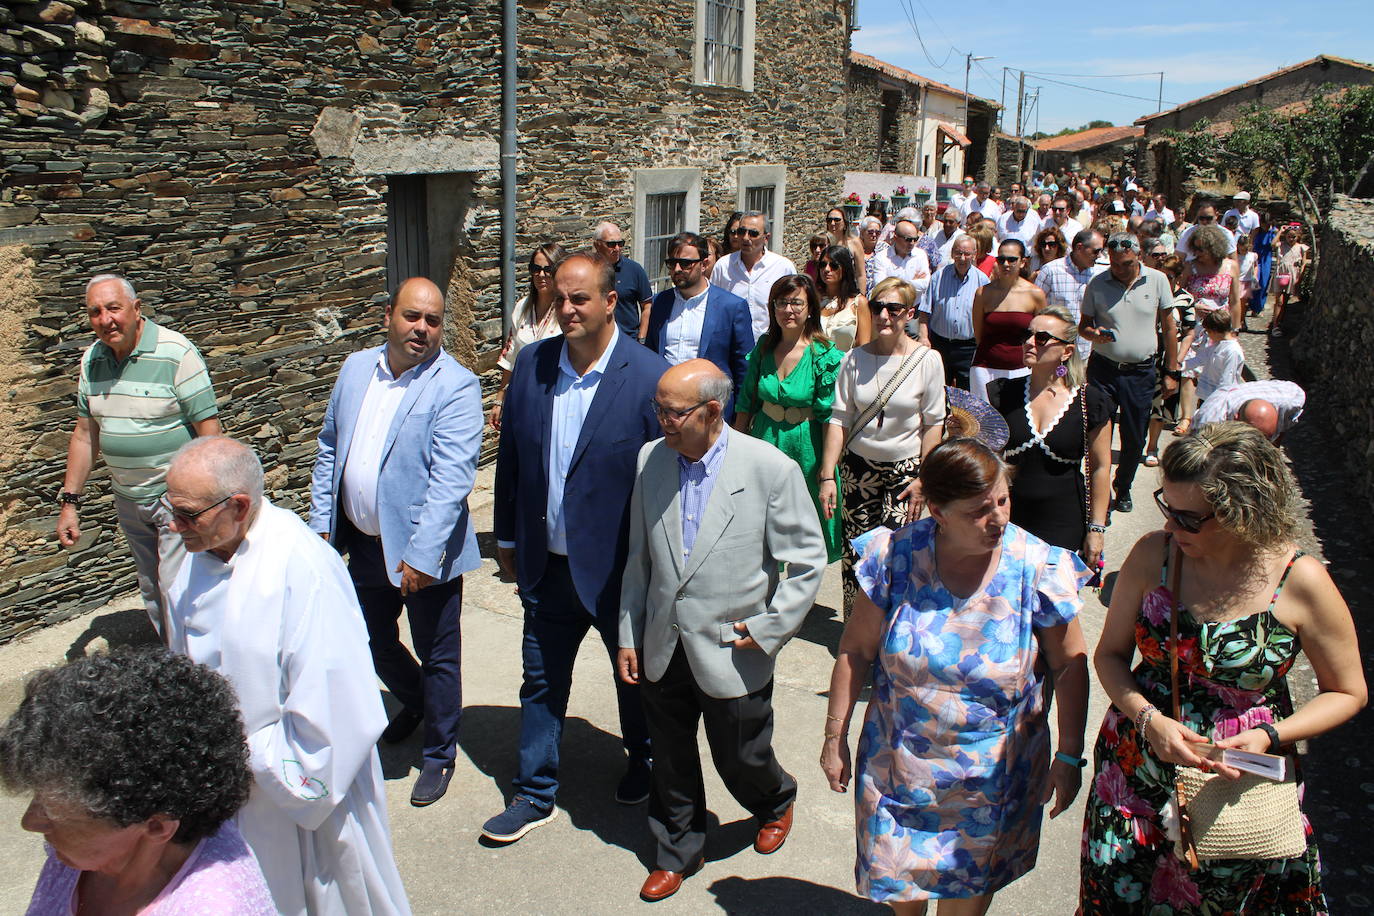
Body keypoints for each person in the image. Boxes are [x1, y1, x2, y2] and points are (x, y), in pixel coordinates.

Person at [1080, 424, 1366, 914]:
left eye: (1189, 519)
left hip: (1239, 786)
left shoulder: (1300, 581)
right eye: (1166, 507)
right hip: (1136, 770)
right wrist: (1148, 721)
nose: (1171, 527)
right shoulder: (1154, 555)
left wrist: (1270, 736)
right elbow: (1108, 655)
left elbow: (1348, 691)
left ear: (1245, 511)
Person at [822, 438, 1091, 912]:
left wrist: (1070, 756)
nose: (1000, 519)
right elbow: (855, 648)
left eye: (1004, 500)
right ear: (939, 512)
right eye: (979, 511)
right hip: (897, 770)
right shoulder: (895, 556)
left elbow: (1070, 663)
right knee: (900, 897)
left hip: (993, 781)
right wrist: (833, 735)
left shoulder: (1037, 565)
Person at [162, 436, 410, 915]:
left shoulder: (301, 569)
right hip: (224, 786)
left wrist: (236, 753)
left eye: (187, 514)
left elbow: (337, 710)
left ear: (237, 506)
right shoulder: (195, 556)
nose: (174, 526)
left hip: (296, 798)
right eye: (169, 509)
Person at [617, 361, 827, 902]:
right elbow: (639, 558)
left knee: (741, 754)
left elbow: (806, 561)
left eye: (674, 411)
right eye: (658, 409)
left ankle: (775, 799)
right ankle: (678, 847)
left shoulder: (769, 469)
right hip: (663, 640)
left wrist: (770, 627)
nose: (662, 421)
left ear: (714, 411)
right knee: (669, 753)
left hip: (736, 645)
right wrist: (627, 632)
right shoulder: (649, 461)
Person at [488, 251, 669, 843]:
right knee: (540, 681)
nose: (565, 308)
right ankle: (534, 791)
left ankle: (642, 759)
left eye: (580, 298)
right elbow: (512, 456)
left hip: (619, 572)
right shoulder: (535, 364)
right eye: (559, 298)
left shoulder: (646, 377)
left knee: (632, 681)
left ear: (611, 301)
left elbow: (663, 483)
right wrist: (509, 537)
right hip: (546, 565)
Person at [308, 276, 483, 807]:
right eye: (413, 317)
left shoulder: (455, 385)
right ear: (389, 315)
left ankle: (439, 754)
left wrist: (423, 557)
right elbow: (329, 447)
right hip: (361, 543)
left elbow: (452, 480)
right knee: (368, 642)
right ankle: (415, 701)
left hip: (420, 554)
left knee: (438, 654)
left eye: (433, 321)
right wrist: (320, 526)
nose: (422, 329)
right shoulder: (357, 368)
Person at [1, 648, 276, 916]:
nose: (30, 823)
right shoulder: (81, 856)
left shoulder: (213, 908)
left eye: (54, 813)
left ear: (156, 826)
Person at [57, 274, 221, 639]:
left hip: (175, 499)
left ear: (136, 309)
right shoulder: (92, 359)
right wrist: (70, 502)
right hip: (129, 499)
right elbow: (85, 434)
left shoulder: (175, 351)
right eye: (95, 312)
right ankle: (174, 662)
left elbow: (209, 430)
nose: (105, 319)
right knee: (152, 589)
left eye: (114, 308)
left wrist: (205, 500)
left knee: (177, 588)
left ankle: (199, 672)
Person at [820, 278, 947, 618]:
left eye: (894, 309)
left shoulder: (928, 361)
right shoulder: (853, 360)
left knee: (899, 554)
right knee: (858, 554)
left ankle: (894, 630)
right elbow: (838, 419)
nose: (885, 316)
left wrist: (925, 477)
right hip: (858, 470)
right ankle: (856, 630)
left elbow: (934, 424)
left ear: (910, 313)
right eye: (878, 308)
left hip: (906, 473)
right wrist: (827, 476)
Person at [733, 275, 845, 563]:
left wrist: (827, 470)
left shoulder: (824, 355)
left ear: (810, 309)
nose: (789, 310)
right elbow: (746, 403)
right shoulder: (764, 348)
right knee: (763, 516)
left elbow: (831, 417)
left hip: (807, 446)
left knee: (804, 519)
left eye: (796, 302)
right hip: (765, 440)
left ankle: (800, 592)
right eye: (781, 303)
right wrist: (734, 450)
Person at [994, 306, 1111, 572]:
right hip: (1011, 518)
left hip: (1064, 520)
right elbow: (992, 459)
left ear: (1067, 351)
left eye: (1041, 338)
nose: (1029, 343)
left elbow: (1101, 468)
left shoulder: (1089, 401)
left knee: (1059, 603)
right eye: (1028, 335)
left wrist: (1096, 528)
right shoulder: (1004, 394)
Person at [1080, 233, 1180, 514]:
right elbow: (1084, 325)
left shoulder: (1158, 280)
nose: (1119, 269)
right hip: (1103, 370)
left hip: (1141, 373)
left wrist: (1171, 370)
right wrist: (1094, 335)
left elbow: (1169, 328)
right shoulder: (1098, 284)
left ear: (1138, 256)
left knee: (1135, 437)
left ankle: (1122, 487)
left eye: (1125, 263)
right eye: (1114, 263)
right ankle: (1096, 495)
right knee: (1097, 432)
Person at [643, 231, 754, 418]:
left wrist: (741, 420)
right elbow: (651, 356)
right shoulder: (661, 303)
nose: (677, 269)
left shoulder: (732, 307)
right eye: (672, 263)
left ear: (703, 264)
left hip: (709, 411)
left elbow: (744, 370)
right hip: (666, 409)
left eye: (686, 263)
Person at [491, 242, 567, 430]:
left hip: (555, 393)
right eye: (536, 269)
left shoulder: (566, 310)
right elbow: (512, 355)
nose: (541, 275)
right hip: (523, 393)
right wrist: (500, 399)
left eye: (548, 269)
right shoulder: (522, 308)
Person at [969, 239, 1045, 401]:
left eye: (1012, 259)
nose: (1006, 264)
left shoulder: (1035, 294)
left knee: (1016, 421)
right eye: (1001, 259)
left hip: (1021, 368)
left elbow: (1041, 334)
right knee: (984, 422)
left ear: (1023, 262)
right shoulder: (983, 293)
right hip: (985, 368)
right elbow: (978, 334)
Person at [710, 210, 798, 339]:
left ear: (766, 238)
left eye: (753, 233)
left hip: (771, 345)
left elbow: (794, 307)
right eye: (741, 232)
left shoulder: (783, 267)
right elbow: (713, 307)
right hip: (733, 346)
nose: (746, 238)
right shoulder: (723, 266)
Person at [1144, 254, 1197, 466]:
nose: (1166, 280)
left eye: (1170, 276)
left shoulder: (1185, 299)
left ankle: (1152, 447)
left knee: (1159, 409)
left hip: (1169, 361)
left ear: (1177, 276)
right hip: (1147, 357)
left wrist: (1177, 361)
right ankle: (1137, 444)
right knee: (1143, 406)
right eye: (1162, 275)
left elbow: (1189, 332)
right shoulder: (1148, 295)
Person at [916, 235, 988, 390]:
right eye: (958, 253)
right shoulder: (938, 277)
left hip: (968, 348)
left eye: (967, 254)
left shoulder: (982, 281)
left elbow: (987, 317)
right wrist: (923, 337)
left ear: (974, 255)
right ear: (952, 253)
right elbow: (924, 312)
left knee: (966, 394)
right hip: (940, 344)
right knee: (937, 390)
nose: (962, 258)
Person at [1035, 229, 1105, 363]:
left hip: (1085, 352)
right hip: (1054, 350)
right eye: (1095, 251)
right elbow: (1037, 310)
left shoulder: (1099, 275)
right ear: (1079, 248)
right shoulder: (1051, 271)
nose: (1099, 255)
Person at [1176, 308, 1245, 436]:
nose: (1207, 335)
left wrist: (1217, 402)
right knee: (1201, 431)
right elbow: (1200, 358)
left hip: (1218, 402)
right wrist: (1180, 366)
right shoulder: (1216, 345)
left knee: (1211, 434)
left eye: (1208, 332)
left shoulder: (1232, 351)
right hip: (1205, 396)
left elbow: (1227, 380)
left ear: (1215, 331)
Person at [593, 220, 655, 342]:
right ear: (597, 245)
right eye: (611, 244)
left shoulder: (634, 269)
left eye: (620, 243)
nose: (617, 248)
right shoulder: (588, 270)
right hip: (596, 342)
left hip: (628, 340)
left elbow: (647, 306)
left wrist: (641, 339)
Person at [1192, 378, 1306, 442]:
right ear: (1236, 419)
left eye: (1267, 437)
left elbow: (1283, 427)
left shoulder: (1291, 399)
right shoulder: (1209, 422)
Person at [815, 243, 871, 351]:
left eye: (834, 266)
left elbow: (864, 346)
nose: (826, 269)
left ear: (845, 268)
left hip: (846, 365)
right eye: (822, 265)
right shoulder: (814, 300)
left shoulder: (859, 303)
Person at [869, 218, 932, 296]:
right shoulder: (881, 257)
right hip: (891, 306)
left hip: (916, 306)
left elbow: (925, 284)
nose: (912, 243)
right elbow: (880, 286)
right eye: (908, 239)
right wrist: (912, 282)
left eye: (915, 239)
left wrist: (893, 283)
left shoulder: (921, 255)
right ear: (895, 237)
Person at [1268, 222, 1308, 337]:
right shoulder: (1281, 245)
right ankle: (1275, 326)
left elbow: (1304, 263)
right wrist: (1280, 231)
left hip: (1293, 275)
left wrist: (1300, 277)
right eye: (1289, 236)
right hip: (1281, 273)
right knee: (1279, 301)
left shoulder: (1301, 248)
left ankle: (1279, 322)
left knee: (1285, 301)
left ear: (1298, 236)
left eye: (1293, 237)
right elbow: (1273, 243)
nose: (1291, 239)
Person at [1249, 209, 1277, 318]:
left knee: (1264, 283)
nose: (1265, 226)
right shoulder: (1257, 231)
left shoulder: (1273, 231)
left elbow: (1274, 244)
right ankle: (1252, 306)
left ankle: (1259, 307)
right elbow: (1251, 242)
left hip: (1266, 259)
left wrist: (1278, 233)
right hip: (1256, 258)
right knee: (1255, 282)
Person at [916, 202, 944, 271]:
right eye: (926, 210)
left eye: (931, 210)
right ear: (922, 211)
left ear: (936, 211)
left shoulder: (940, 226)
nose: (929, 212)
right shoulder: (918, 226)